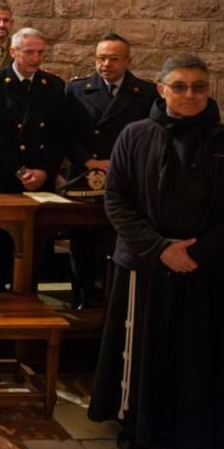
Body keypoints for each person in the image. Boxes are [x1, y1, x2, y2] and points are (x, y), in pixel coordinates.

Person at [88, 55, 224, 449]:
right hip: (146, 264)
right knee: (144, 348)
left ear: (208, 89)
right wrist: (160, 247)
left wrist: (196, 253)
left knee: (201, 356)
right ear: (161, 89)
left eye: (198, 86)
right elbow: (117, 201)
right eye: (179, 86)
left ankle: (199, 441)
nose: (189, 94)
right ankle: (139, 426)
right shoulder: (134, 136)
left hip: (208, 269)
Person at [63, 32, 154, 308]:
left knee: (118, 239)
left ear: (128, 60)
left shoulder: (146, 93)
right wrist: (89, 161)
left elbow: (150, 137)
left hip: (125, 177)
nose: (106, 64)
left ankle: (117, 299)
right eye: (101, 58)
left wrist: (119, 163)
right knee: (81, 240)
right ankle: (83, 296)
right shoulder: (77, 89)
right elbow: (65, 133)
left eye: (114, 59)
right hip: (85, 175)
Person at [0, 27, 68, 291]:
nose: (35, 58)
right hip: (2, 179)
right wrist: (18, 171)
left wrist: (45, 172)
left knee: (33, 251)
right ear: (14, 52)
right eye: (29, 52)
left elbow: (58, 134)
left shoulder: (53, 86)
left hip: (39, 180)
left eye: (40, 52)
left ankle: (29, 298)